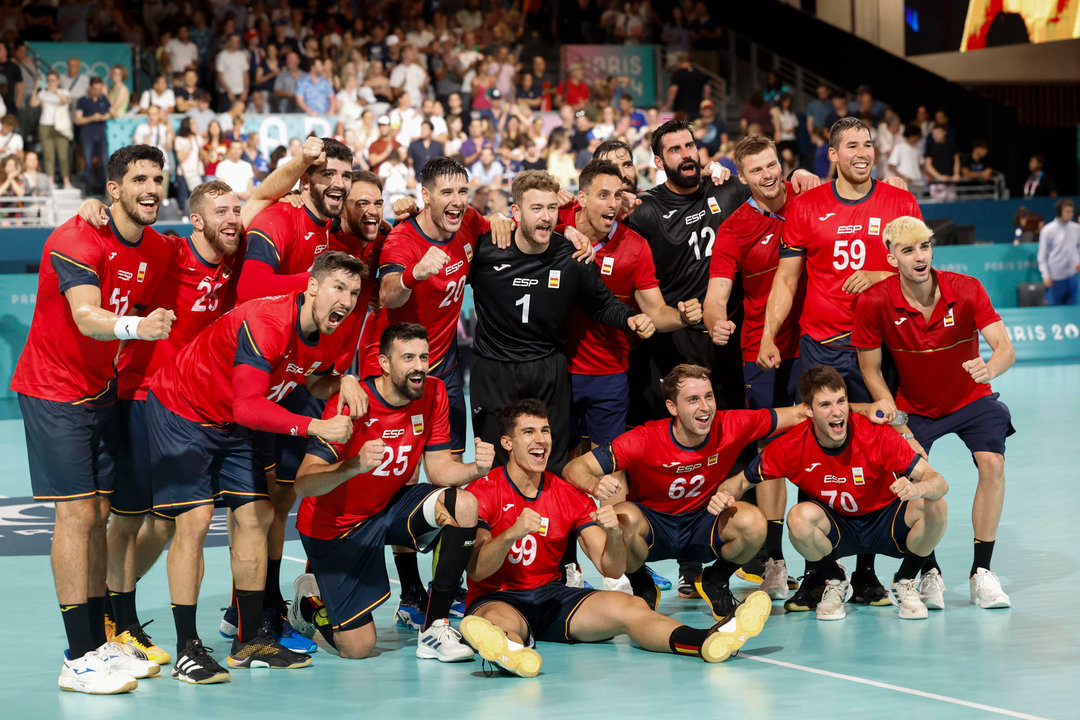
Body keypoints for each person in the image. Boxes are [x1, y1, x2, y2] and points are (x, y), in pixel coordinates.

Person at [147, 250, 368, 683]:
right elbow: (249, 407)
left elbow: (310, 377)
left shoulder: (335, 331)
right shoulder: (266, 323)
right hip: (184, 409)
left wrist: (346, 378)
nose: (346, 300)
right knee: (195, 520)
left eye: (355, 292)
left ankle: (250, 639)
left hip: (229, 422)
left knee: (258, 516)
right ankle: (187, 648)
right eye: (338, 288)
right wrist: (315, 425)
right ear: (312, 288)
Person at [10, 145, 177, 694]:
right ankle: (78, 656)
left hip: (101, 392)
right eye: (138, 179)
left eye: (157, 178)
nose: (151, 188)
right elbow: (86, 317)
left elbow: (224, 226)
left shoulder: (156, 246)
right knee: (78, 516)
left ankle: (101, 643)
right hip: (54, 392)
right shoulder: (76, 238)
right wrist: (137, 328)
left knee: (102, 513)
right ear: (113, 190)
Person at [460, 398, 772, 677]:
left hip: (551, 596)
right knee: (502, 625)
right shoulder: (483, 493)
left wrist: (612, 533)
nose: (540, 439)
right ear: (507, 442)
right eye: (528, 432)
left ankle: (705, 641)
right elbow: (476, 570)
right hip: (498, 597)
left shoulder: (567, 493)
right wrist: (512, 533)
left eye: (545, 431)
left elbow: (610, 568)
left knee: (631, 607)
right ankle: (512, 651)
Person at [759, 117, 921, 603]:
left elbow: (923, 268)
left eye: (868, 144)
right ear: (831, 154)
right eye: (851, 145)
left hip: (878, 346)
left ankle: (867, 569)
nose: (862, 153)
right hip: (820, 347)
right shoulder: (806, 206)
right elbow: (786, 280)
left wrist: (882, 275)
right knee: (815, 453)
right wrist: (769, 335)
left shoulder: (898, 202)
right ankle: (821, 572)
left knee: (875, 452)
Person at [291, 323, 494, 660]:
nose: (419, 366)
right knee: (358, 648)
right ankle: (310, 605)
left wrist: (476, 469)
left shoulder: (434, 392)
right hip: (337, 526)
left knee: (464, 504)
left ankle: (434, 626)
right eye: (409, 357)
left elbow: (441, 470)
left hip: (388, 507)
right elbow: (303, 482)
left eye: (424, 357)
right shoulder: (353, 403)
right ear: (384, 363)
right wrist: (353, 466)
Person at [854, 215, 1016, 610]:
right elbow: (870, 370)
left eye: (924, 247)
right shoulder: (874, 302)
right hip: (914, 408)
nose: (919, 256)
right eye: (907, 250)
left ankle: (982, 573)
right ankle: (928, 568)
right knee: (917, 479)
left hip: (970, 399)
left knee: (992, 465)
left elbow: (1004, 348)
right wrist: (888, 407)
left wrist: (990, 368)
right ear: (892, 258)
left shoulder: (966, 289)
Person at [565, 363, 808, 616]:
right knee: (622, 516)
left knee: (754, 522)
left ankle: (715, 580)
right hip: (655, 528)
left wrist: (842, 410)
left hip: (702, 523)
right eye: (692, 399)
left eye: (708, 396)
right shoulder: (644, 439)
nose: (704, 407)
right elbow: (574, 468)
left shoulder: (731, 424)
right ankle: (642, 585)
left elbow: (801, 413)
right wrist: (595, 484)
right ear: (672, 407)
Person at [716, 365, 949, 621]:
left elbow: (937, 481)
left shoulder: (875, 435)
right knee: (798, 517)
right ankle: (835, 580)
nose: (837, 411)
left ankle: (905, 581)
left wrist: (917, 488)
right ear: (808, 410)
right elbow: (740, 482)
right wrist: (723, 494)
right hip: (839, 529)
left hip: (886, 523)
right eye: (825, 405)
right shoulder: (791, 446)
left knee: (936, 504)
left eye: (841, 401)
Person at [468, 170, 654, 474]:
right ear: (515, 212)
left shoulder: (571, 256)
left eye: (552, 208)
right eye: (536, 208)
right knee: (494, 462)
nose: (546, 217)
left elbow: (602, 304)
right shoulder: (487, 249)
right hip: (493, 368)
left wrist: (631, 318)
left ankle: (547, 521)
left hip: (546, 369)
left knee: (547, 461)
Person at [703, 136, 807, 597]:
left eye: (773, 165)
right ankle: (776, 559)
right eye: (757, 170)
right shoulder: (734, 228)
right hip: (760, 353)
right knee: (773, 457)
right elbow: (717, 293)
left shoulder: (810, 199)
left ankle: (826, 564)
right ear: (741, 178)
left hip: (817, 346)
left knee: (824, 446)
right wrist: (715, 320)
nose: (769, 175)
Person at [563, 160, 701, 456]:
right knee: (564, 459)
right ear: (582, 198)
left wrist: (682, 317)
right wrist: (498, 217)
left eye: (617, 195)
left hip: (609, 371)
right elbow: (522, 215)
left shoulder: (635, 246)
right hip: (559, 369)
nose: (612, 204)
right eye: (603, 195)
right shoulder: (556, 226)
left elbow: (655, 311)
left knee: (609, 463)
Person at [30, 70, 73, 189]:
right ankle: (50, 182)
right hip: (45, 125)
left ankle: (66, 182)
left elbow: (65, 100)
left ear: (58, 81)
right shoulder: (43, 93)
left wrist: (55, 92)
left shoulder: (64, 91)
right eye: (48, 80)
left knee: (63, 155)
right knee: (49, 155)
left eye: (53, 80)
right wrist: (36, 89)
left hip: (61, 126)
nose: (50, 83)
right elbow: (33, 103)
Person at [1036, 199, 1080, 305]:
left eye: (1072, 211)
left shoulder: (1077, 228)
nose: (1071, 214)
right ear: (1060, 212)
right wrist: (1046, 275)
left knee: (1075, 309)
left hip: (1074, 275)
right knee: (1056, 309)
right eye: (1067, 211)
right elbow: (1042, 256)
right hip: (1056, 277)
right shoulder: (1048, 230)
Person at [74, 77, 112, 196]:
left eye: (99, 89)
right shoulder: (82, 100)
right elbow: (78, 120)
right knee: (88, 162)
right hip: (87, 134)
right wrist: (92, 117)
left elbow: (113, 112)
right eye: (95, 89)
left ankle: (101, 189)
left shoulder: (104, 99)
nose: (97, 91)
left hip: (101, 133)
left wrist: (103, 116)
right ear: (90, 87)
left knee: (104, 161)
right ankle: (89, 190)